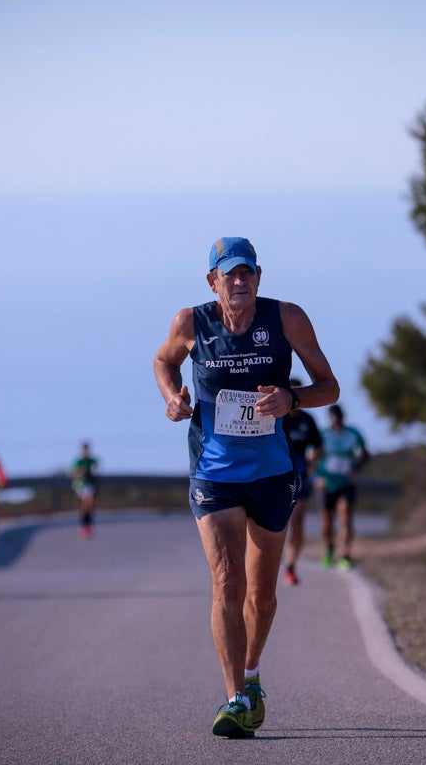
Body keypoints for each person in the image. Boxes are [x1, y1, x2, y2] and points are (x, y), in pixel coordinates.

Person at [153, 236, 339, 738]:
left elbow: (330, 386)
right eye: (229, 274)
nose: (239, 282)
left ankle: (252, 674)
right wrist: (173, 398)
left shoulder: (287, 318)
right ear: (211, 280)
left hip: (273, 474)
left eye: (248, 273)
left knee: (261, 595)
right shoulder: (191, 323)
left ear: (259, 276)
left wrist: (292, 398)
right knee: (227, 583)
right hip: (214, 474)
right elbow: (163, 361)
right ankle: (235, 697)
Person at [315, 404, 369, 571]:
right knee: (327, 522)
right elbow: (312, 457)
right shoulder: (322, 434)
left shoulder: (353, 433)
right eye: (334, 420)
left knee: (345, 515)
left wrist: (356, 470)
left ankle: (345, 554)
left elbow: (365, 454)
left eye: (339, 419)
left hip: (346, 482)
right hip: (328, 482)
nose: (336, 423)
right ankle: (329, 549)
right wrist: (317, 477)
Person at [282, 377, 322, 587]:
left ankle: (290, 566)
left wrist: (314, 456)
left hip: (302, 476)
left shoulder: (308, 420)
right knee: (278, 523)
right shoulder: (277, 415)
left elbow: (319, 446)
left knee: (296, 522)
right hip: (278, 476)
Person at [68, 441, 99, 538]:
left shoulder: (92, 460)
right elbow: (70, 474)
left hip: (90, 485)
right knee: (84, 506)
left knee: (89, 505)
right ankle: (84, 527)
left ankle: (88, 526)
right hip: (80, 485)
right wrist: (79, 473)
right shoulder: (78, 461)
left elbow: (97, 470)